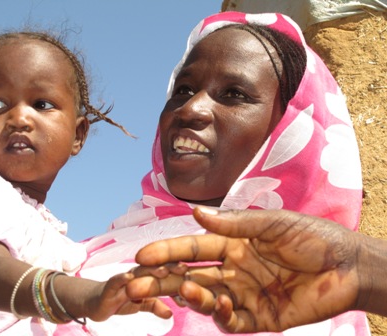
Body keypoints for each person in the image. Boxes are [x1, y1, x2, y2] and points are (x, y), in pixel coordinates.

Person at [67, 11, 369, 336]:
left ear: (288, 131)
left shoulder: (309, 287)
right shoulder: (78, 252)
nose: (190, 108)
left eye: (234, 94)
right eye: (182, 89)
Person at [0, 31, 171, 335]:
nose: (19, 118)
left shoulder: (51, 231)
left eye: (42, 103)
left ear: (78, 136)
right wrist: (85, 296)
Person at [130, 206, 387, 334]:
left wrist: (360, 266)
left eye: (235, 97)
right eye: (180, 97)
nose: (191, 109)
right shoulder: (118, 237)